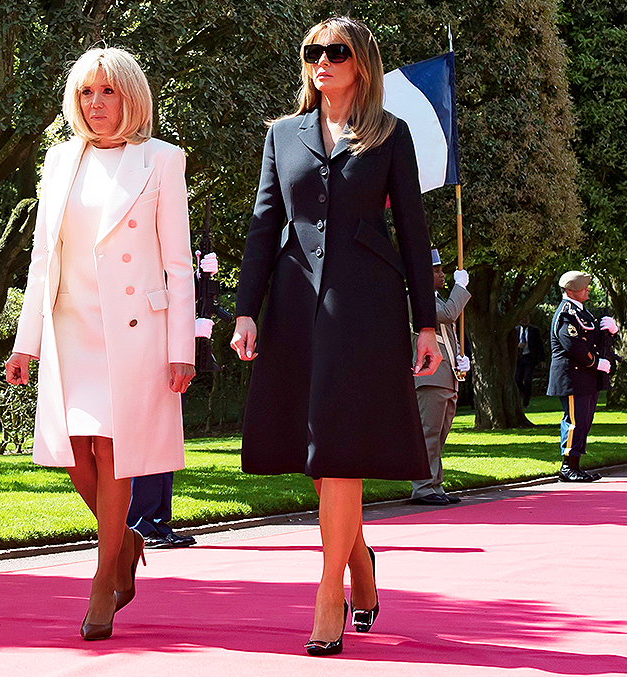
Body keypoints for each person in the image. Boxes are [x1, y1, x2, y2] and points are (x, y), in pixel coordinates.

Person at [230, 17, 440, 656]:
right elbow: (264, 224)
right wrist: (245, 310)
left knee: (340, 446)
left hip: (365, 306)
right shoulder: (281, 135)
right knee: (316, 453)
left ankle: (329, 594)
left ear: (361, 63)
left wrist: (426, 323)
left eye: (336, 51)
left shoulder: (390, 134)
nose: (322, 60)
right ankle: (361, 561)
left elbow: (413, 230)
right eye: (312, 51)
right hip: (294, 302)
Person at [4, 47, 194, 640]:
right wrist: (26, 343)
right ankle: (127, 541)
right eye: (86, 92)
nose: (96, 103)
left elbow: (178, 261)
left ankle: (102, 578)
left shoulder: (162, 159)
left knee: (113, 450)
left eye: (108, 91)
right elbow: (42, 255)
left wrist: (182, 347)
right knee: (74, 455)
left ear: (131, 97)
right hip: (72, 325)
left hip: (132, 330)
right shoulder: (61, 159)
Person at [126, 251, 218, 549]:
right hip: (145, 349)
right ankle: (139, 523)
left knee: (163, 443)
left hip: (168, 357)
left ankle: (155, 521)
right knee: (147, 442)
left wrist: (201, 281)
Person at [410, 249, 471, 506]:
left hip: (446, 376)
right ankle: (423, 487)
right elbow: (447, 314)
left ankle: (435, 484)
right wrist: (460, 288)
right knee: (429, 435)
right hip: (430, 377)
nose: (442, 275)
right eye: (437, 271)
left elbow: (446, 334)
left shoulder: (437, 299)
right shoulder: (418, 300)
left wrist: (460, 358)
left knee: (439, 436)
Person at [546, 271, 617, 482]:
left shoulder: (582, 312)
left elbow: (592, 341)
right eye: (582, 287)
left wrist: (610, 331)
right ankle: (568, 467)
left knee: (584, 422)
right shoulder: (566, 314)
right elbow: (573, 346)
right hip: (573, 377)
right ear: (570, 290)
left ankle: (575, 465)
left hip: (586, 377)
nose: (587, 289)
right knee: (575, 422)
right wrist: (596, 363)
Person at [514, 314, 545, 408]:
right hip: (519, 358)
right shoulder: (515, 330)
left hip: (529, 358)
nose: (524, 321)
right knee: (517, 379)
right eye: (522, 319)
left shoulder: (534, 330)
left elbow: (539, 345)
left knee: (527, 380)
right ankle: (523, 394)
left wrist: (542, 359)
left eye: (526, 319)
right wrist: (518, 346)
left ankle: (526, 401)